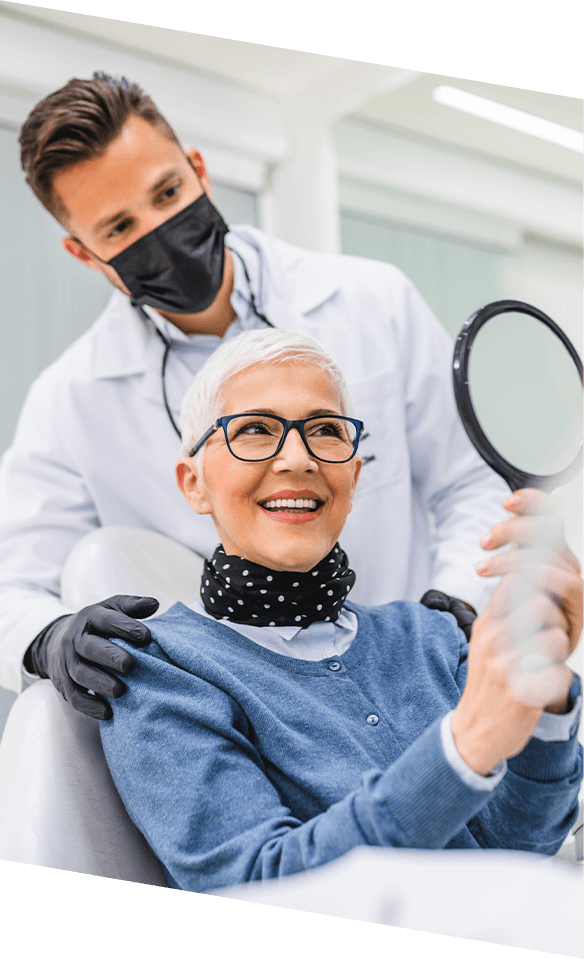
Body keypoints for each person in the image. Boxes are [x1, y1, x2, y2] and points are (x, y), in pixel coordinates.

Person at [0, 72, 508, 717]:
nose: (160, 229)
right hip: (252, 721)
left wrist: (455, 605)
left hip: (422, 681)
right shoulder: (73, 401)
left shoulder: (373, 303)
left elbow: (470, 483)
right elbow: (12, 585)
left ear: (199, 170)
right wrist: (46, 638)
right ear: (83, 253)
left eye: (168, 192)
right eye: (121, 226)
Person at [100, 328, 583, 893]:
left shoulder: (431, 637)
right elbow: (256, 888)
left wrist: (545, 702)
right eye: (255, 429)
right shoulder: (160, 671)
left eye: (326, 431)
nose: (298, 459)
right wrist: (466, 745)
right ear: (194, 484)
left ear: (353, 475)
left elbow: (518, 845)